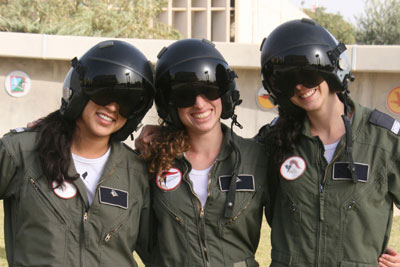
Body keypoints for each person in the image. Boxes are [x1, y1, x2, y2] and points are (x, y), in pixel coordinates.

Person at [258, 18, 400, 266]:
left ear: (330, 69)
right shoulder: (273, 142)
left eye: (308, 73)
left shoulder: (383, 140)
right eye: (288, 80)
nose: (300, 86)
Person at [0, 40, 154, 266]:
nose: (112, 107)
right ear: (81, 89)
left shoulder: (137, 172)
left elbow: (166, 252)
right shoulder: (22, 151)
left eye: (126, 101)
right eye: (104, 93)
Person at [140, 38, 271, 266]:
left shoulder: (257, 158)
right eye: (185, 95)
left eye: (210, 90)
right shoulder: (152, 162)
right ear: (169, 104)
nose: (200, 103)